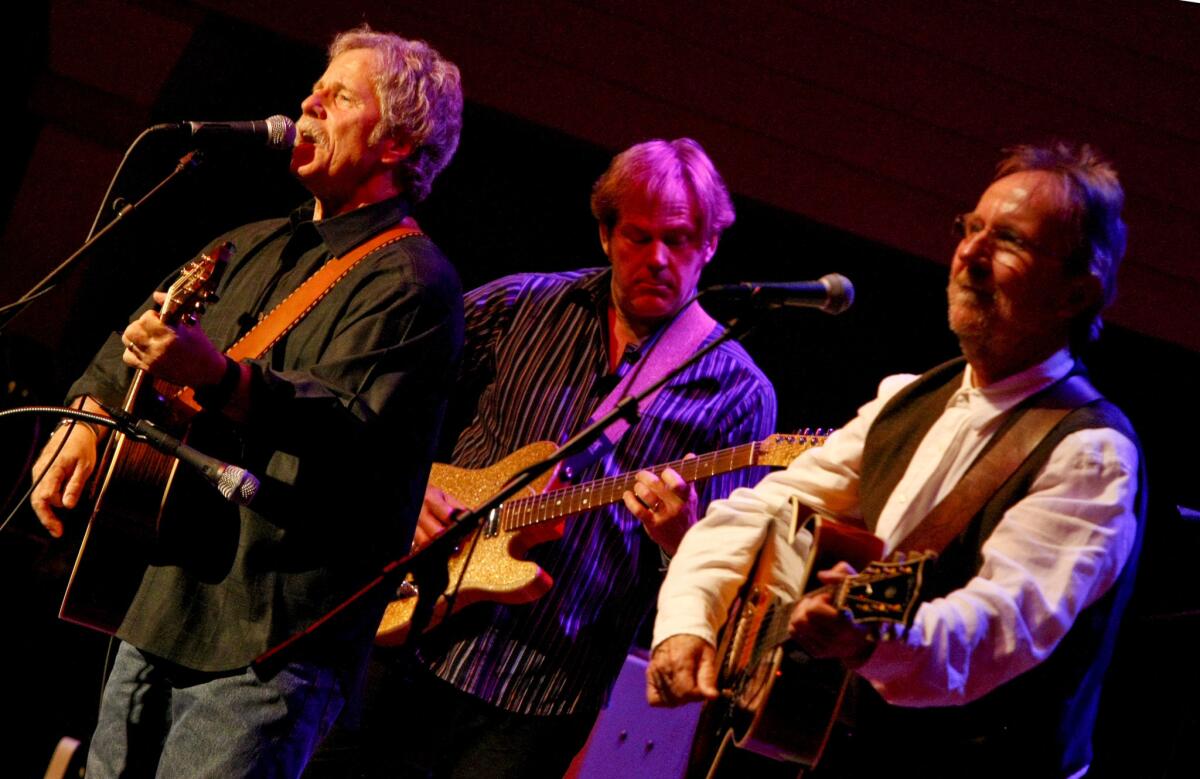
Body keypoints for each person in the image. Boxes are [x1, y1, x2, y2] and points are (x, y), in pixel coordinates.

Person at [29, 26, 464, 779]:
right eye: (314, 91)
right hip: (164, 594)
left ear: (397, 141)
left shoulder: (413, 282)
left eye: (339, 97)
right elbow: (133, 335)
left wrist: (222, 378)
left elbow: (348, 425)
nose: (308, 104)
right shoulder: (251, 241)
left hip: (273, 636)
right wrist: (91, 413)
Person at [648, 142, 1144, 778]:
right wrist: (689, 618)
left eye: (1010, 240)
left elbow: (999, 624)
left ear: (1077, 293)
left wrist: (870, 634)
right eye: (971, 228)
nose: (970, 254)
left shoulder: (1089, 454)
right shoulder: (910, 399)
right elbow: (761, 508)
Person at [310, 138, 777, 778]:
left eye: (679, 238)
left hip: (539, 690)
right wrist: (411, 491)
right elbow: (386, 401)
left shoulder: (740, 395)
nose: (658, 259)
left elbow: (727, 583)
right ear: (606, 235)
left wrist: (681, 539)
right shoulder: (523, 306)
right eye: (638, 237)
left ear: (710, 244)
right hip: (404, 632)